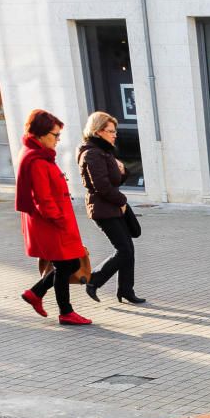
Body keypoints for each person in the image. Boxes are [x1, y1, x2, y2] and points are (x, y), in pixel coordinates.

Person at [16, 110, 92, 325]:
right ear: (40, 134)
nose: (58, 140)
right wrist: (59, 220)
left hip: (52, 222)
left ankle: (36, 294)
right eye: (55, 135)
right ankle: (63, 311)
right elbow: (43, 198)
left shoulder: (38, 155)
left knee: (66, 265)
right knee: (68, 265)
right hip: (52, 224)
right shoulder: (37, 160)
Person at [80, 111, 145, 305]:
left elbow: (115, 180)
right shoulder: (91, 154)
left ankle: (126, 290)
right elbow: (102, 187)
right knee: (123, 249)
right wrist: (122, 201)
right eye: (110, 131)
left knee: (128, 249)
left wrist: (123, 170)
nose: (114, 134)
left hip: (113, 206)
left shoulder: (104, 151)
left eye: (114, 131)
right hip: (103, 209)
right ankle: (93, 281)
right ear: (97, 131)